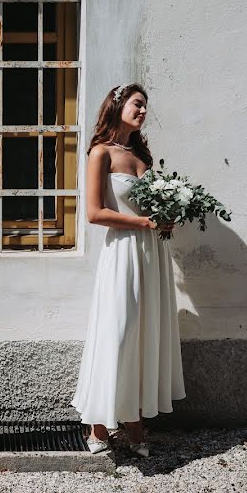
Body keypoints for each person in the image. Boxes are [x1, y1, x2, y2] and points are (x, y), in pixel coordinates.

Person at [71, 83, 186, 457]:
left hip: (152, 256)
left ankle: (135, 421)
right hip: (122, 253)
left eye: (146, 107)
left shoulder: (142, 155)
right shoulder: (100, 153)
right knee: (117, 332)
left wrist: (165, 220)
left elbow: (151, 210)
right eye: (138, 104)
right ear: (118, 105)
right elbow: (94, 213)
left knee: (144, 335)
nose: (143, 111)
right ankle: (99, 423)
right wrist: (145, 223)